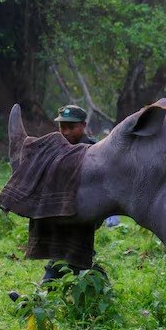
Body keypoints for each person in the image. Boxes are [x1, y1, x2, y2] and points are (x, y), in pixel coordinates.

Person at [44, 104, 98, 282]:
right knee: (73, 250)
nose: (66, 132)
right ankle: (97, 287)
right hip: (61, 209)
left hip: (86, 208)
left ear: (83, 125)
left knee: (71, 248)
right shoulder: (55, 149)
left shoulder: (95, 150)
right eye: (62, 127)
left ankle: (43, 293)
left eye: (71, 127)